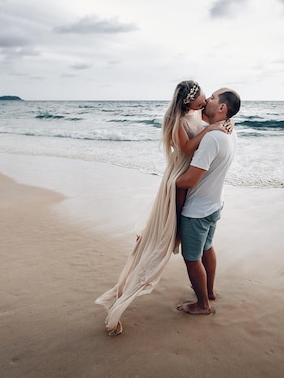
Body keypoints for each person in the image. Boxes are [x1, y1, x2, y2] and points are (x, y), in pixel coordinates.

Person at [95, 81, 232, 336]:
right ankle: (161, 240)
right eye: (203, 96)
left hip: (191, 180)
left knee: (195, 249)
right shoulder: (177, 119)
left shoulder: (196, 113)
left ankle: (204, 298)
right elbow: (187, 147)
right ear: (189, 101)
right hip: (185, 177)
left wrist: (223, 124)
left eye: (209, 97)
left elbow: (213, 122)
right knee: (182, 229)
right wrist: (213, 127)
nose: (206, 100)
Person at [175, 88, 241, 315]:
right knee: (207, 248)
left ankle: (203, 304)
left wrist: (170, 184)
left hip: (198, 210)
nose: (208, 100)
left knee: (192, 258)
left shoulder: (213, 138)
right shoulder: (229, 131)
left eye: (212, 98)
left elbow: (190, 180)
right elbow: (202, 121)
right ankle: (209, 292)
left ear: (222, 108)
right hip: (214, 204)